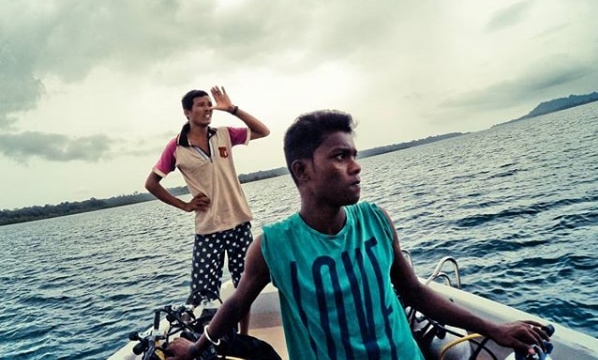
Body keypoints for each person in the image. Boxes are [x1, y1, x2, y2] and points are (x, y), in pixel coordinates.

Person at [165, 110, 550, 360]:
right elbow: (234, 306)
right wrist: (196, 349)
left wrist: (495, 329)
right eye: (339, 156)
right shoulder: (273, 246)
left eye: (353, 154)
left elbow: (414, 292)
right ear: (302, 172)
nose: (356, 167)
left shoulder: (377, 220)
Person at [145, 86, 269, 335]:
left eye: (209, 103)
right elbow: (151, 184)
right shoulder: (176, 147)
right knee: (202, 292)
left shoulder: (223, 134)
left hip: (238, 223)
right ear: (187, 112)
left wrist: (232, 109)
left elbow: (262, 131)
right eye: (201, 104)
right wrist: (185, 205)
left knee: (243, 285)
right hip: (208, 229)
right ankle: (207, 342)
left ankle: (243, 338)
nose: (207, 108)